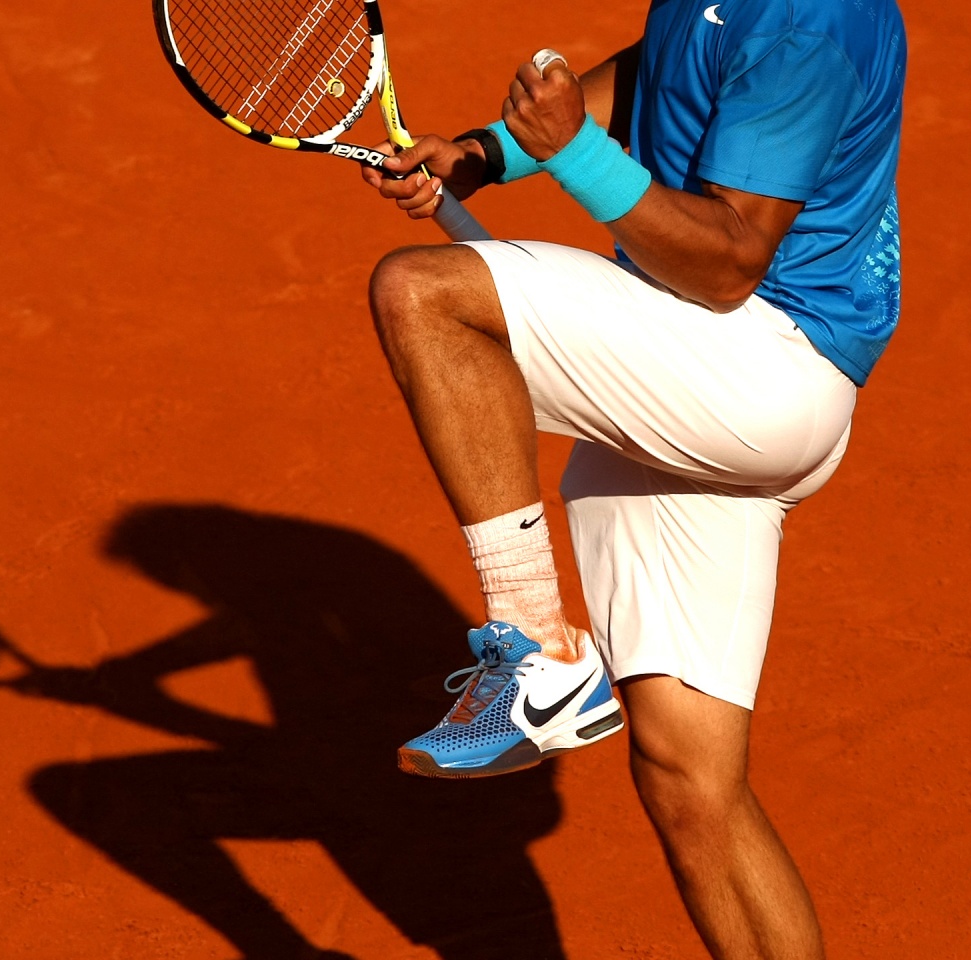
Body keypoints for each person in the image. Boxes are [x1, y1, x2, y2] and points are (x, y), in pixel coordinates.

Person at [358, 0, 905, 956]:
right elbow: (668, 61)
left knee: (426, 297)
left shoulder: (815, 22)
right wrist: (491, 154)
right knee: (692, 787)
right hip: (698, 364)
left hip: (759, 367)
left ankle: (538, 648)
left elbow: (732, 259)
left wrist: (575, 155)